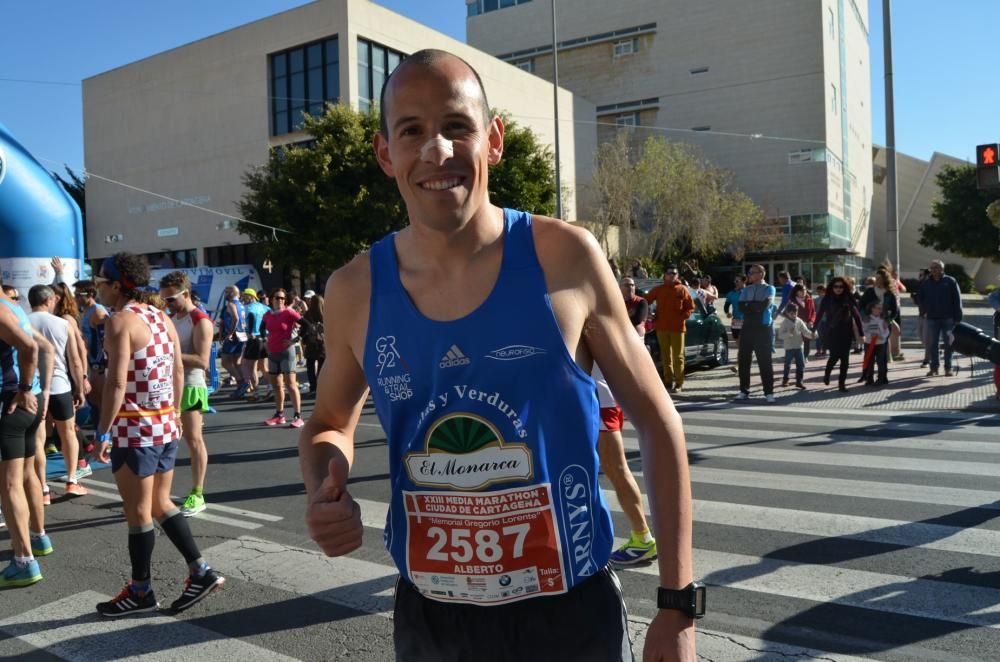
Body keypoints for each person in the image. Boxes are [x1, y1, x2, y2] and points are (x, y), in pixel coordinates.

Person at [300, 49, 696, 660]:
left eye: (457, 126)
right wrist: (324, 485)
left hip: (569, 615)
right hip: (431, 620)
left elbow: (658, 421)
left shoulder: (564, 256)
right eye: (412, 131)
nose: (436, 151)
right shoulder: (354, 290)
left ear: (494, 139)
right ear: (385, 154)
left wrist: (678, 606)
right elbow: (329, 423)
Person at [92, 252, 224, 616]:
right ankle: (201, 571)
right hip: (164, 424)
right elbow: (177, 370)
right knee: (160, 503)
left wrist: (102, 432)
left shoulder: (120, 321)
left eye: (101, 282)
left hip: (135, 430)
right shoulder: (160, 315)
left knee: (138, 513)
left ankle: (141, 591)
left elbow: (116, 382)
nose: (98, 288)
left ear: (117, 285)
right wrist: (176, 416)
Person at [0, 277, 52, 588]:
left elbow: (32, 347)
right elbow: (44, 347)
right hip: (25, 404)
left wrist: (23, 388)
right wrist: (40, 390)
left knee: (9, 484)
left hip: (10, 404)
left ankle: (23, 560)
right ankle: (39, 538)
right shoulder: (13, 307)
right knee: (30, 474)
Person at [159, 272, 213, 517]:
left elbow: (202, 360)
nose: (167, 304)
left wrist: (165, 356)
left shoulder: (200, 319)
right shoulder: (172, 317)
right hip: (168, 385)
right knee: (166, 441)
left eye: (170, 299)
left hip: (191, 385)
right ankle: (161, 495)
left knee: (193, 440)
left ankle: (198, 493)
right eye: (164, 300)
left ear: (186, 294)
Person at [27, 286, 87, 496]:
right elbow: (75, 360)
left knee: (38, 437)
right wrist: (80, 388)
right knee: (67, 432)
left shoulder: (24, 322)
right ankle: (72, 480)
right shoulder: (63, 323)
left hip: (33, 386)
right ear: (50, 300)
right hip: (60, 385)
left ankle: (42, 488)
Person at [644, 265, 696, 393]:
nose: (671, 275)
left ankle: (679, 383)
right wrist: (649, 314)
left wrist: (682, 317)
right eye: (669, 273)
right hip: (661, 327)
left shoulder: (682, 289)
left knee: (678, 357)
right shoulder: (659, 290)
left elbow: (690, 307)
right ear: (665, 275)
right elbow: (645, 301)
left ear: (677, 276)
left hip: (678, 328)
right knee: (665, 356)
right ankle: (668, 382)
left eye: (674, 273)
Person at [262, 288, 304, 427]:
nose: (280, 300)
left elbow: (307, 326)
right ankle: (279, 415)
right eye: (277, 298)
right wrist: (264, 342)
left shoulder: (289, 312)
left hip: (287, 352)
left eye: (282, 298)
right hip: (273, 354)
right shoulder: (267, 314)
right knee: (276, 385)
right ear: (271, 299)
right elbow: (262, 329)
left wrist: (294, 340)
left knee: (291, 385)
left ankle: (298, 416)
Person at [735, 265, 776, 402]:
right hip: (747, 327)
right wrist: (754, 307)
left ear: (761, 274)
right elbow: (741, 306)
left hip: (763, 328)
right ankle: (744, 390)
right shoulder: (746, 289)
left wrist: (750, 306)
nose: (749, 275)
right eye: (749, 272)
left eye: (752, 273)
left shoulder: (769, 288)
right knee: (744, 360)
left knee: (765, 361)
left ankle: (769, 392)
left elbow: (764, 305)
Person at [816, 276, 863, 392]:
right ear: (832, 287)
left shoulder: (848, 298)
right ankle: (827, 373)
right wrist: (813, 328)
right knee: (834, 357)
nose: (838, 289)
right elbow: (820, 313)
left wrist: (861, 333)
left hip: (846, 332)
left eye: (841, 286)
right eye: (836, 286)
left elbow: (857, 316)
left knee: (845, 360)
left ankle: (841, 384)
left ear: (845, 287)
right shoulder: (827, 299)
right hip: (832, 332)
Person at [916, 260, 963, 376]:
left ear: (942, 269)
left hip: (948, 318)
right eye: (931, 268)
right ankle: (934, 368)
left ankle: (948, 368)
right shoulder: (926, 283)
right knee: (932, 344)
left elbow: (957, 300)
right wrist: (924, 311)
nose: (933, 270)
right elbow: (919, 298)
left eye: (936, 267)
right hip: (932, 318)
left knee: (949, 344)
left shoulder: (950, 281)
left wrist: (958, 317)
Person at [219, 285, 249, 396]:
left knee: (225, 362)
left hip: (234, 336)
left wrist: (230, 333)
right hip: (242, 336)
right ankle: (242, 384)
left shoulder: (231, 304)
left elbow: (235, 318)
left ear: (232, 293)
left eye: (227, 292)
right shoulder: (241, 305)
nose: (225, 294)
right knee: (236, 362)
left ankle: (241, 382)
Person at [240, 288, 270, 399]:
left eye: (246, 296)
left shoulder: (248, 308)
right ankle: (270, 388)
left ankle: (256, 394)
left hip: (253, 339)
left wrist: (250, 331)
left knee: (250, 368)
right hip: (264, 339)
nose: (243, 298)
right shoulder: (264, 307)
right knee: (263, 367)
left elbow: (250, 318)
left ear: (252, 297)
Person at [777, 302, 814, 389]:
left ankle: (799, 381)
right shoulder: (785, 322)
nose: (794, 315)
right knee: (787, 364)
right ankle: (785, 379)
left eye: (795, 313)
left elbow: (805, 331)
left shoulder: (799, 321)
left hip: (799, 346)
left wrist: (812, 335)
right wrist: (788, 333)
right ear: (787, 313)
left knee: (801, 364)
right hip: (789, 347)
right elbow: (780, 335)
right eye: (792, 313)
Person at [300, 294, 326, 396]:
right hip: (322, 344)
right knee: (322, 367)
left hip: (311, 344)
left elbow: (302, 329)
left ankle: (313, 387)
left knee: (310, 367)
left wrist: (304, 340)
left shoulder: (307, 314)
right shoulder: (326, 313)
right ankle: (321, 387)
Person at [860, 301, 890, 385]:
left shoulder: (883, 319)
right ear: (872, 309)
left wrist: (882, 336)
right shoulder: (866, 319)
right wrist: (870, 335)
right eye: (878, 308)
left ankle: (881, 379)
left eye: (881, 309)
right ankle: (869, 379)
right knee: (870, 361)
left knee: (881, 362)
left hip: (880, 344)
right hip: (869, 343)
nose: (880, 310)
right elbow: (863, 330)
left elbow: (886, 331)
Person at [787, 283, 816, 358]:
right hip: (797, 325)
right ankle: (797, 357)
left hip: (808, 325)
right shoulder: (792, 301)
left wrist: (811, 321)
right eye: (801, 291)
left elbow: (813, 312)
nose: (804, 292)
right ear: (796, 292)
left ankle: (805, 357)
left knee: (807, 342)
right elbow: (788, 314)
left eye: (805, 290)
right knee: (797, 342)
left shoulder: (810, 300)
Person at [812, 284, 827, 358]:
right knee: (818, 335)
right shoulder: (816, 300)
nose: (819, 293)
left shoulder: (829, 299)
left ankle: (824, 350)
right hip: (819, 320)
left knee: (825, 335)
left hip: (827, 320)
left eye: (821, 291)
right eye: (818, 291)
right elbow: (814, 310)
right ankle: (818, 350)